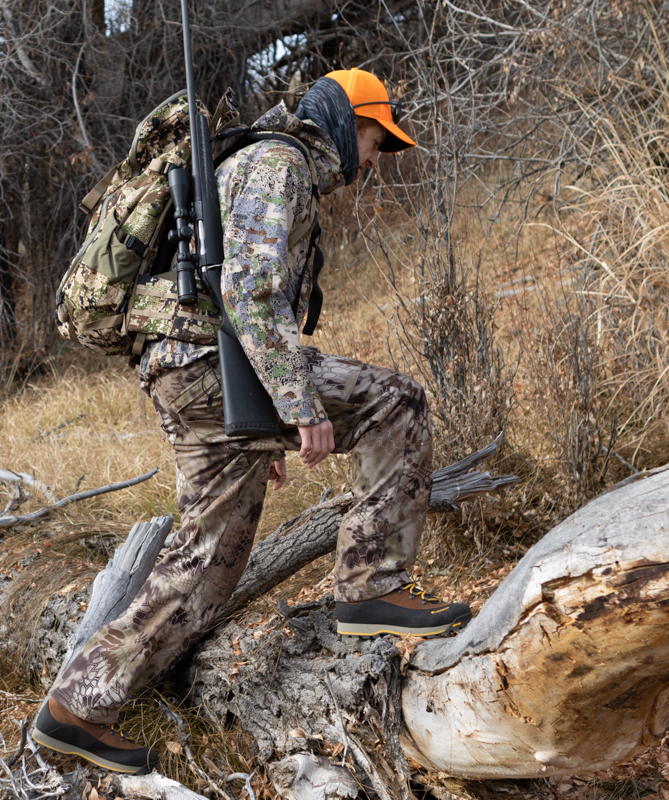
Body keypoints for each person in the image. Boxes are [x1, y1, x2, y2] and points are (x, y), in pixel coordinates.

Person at [32, 69, 471, 775]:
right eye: (372, 136)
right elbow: (249, 291)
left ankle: (75, 708)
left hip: (187, 372)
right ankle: (370, 586)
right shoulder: (280, 163)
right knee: (399, 401)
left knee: (207, 563)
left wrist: (257, 420)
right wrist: (293, 407)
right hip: (210, 365)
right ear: (340, 119)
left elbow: (235, 292)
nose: (374, 155)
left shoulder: (264, 162)